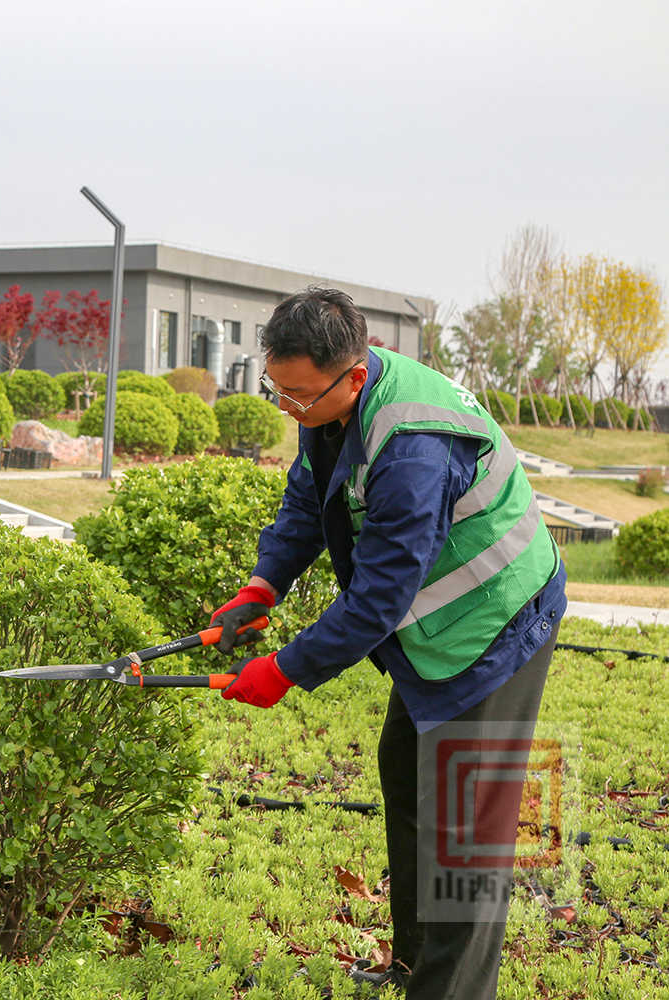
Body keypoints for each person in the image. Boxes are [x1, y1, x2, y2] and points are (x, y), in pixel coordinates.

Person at [209, 287, 565, 999]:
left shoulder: (414, 452)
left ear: (354, 376)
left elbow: (378, 599)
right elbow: (309, 499)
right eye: (276, 390)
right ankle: (412, 967)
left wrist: (283, 670)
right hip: (439, 632)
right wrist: (263, 584)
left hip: (497, 622)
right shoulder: (328, 405)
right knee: (406, 775)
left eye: (298, 397)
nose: (288, 409)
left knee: (465, 837)